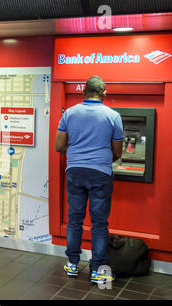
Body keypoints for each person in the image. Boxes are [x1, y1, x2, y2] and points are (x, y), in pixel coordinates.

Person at [54, 75, 123, 284]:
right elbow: (117, 151)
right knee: (99, 223)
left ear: (83, 92)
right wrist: (99, 158)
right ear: (104, 93)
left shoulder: (70, 113)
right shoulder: (113, 115)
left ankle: (73, 265)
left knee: (74, 219)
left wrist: (77, 152)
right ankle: (98, 270)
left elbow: (59, 146)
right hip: (100, 173)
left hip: (75, 170)